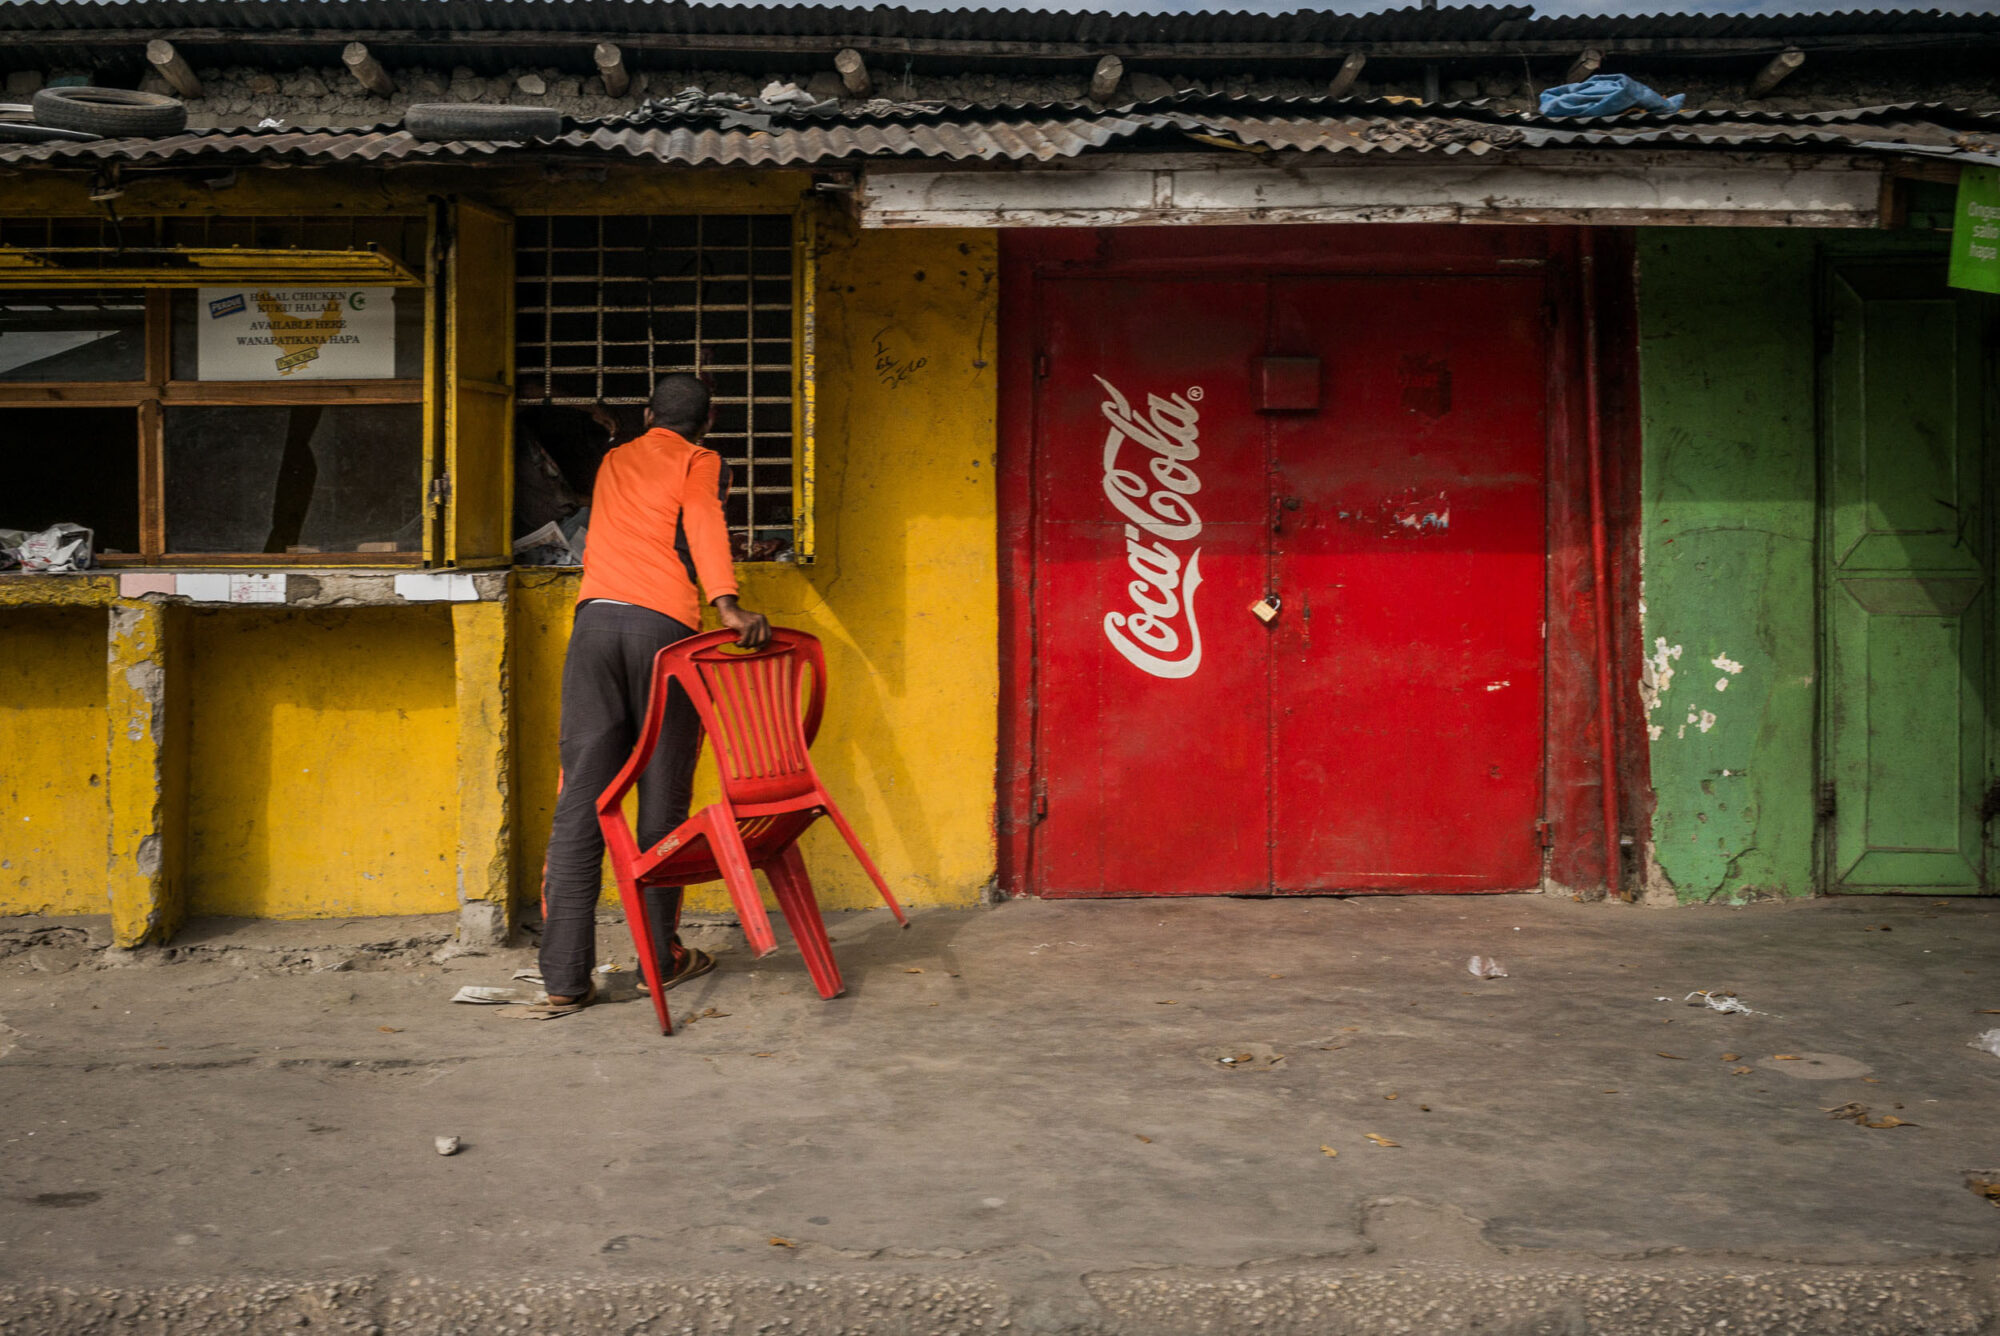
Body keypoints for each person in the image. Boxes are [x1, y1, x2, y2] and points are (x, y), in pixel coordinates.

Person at [537, 373, 771, 1012]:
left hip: (593, 627)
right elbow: (702, 520)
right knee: (662, 795)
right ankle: (658, 960)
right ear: (711, 420)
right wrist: (727, 604)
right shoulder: (700, 460)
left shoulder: (615, 458)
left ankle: (563, 978)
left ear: (646, 414)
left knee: (582, 797)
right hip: (662, 633)